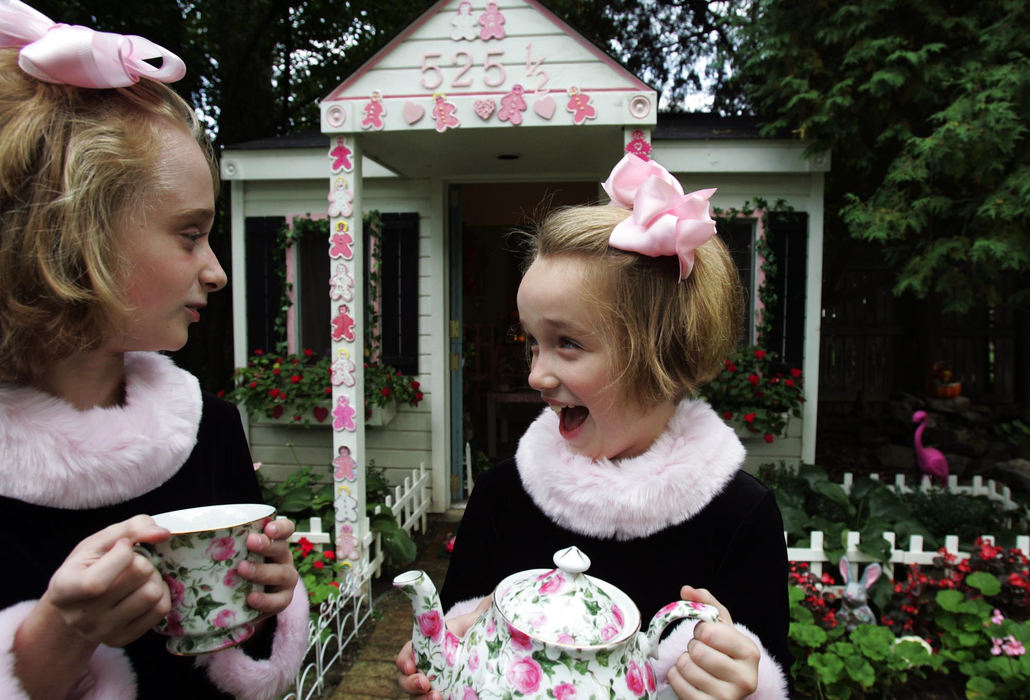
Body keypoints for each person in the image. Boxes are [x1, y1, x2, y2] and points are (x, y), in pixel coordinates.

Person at [397, 154, 793, 699]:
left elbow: (766, 672)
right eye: (532, 342)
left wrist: (742, 685)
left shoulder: (739, 518)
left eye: (568, 343)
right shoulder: (501, 495)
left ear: (665, 355)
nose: (536, 375)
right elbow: (455, 661)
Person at [0, 3, 309, 697]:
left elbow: (234, 657)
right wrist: (55, 641)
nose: (217, 271)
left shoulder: (209, 429)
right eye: (189, 233)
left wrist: (269, 600)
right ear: (75, 237)